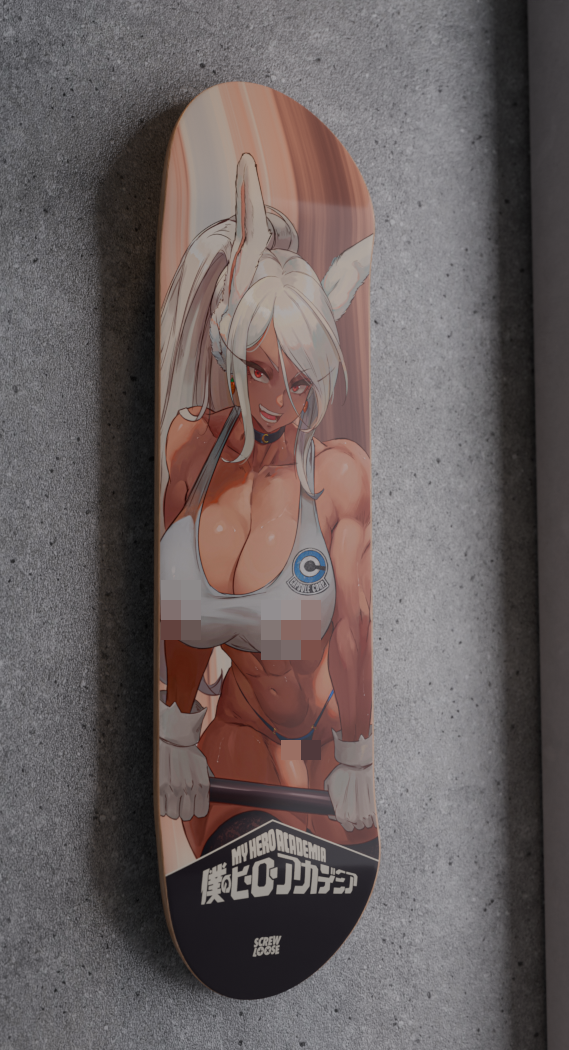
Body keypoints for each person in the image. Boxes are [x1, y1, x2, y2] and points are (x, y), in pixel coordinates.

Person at [158, 153, 375, 856]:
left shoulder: (338, 478)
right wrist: (176, 729)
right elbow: (176, 607)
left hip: (329, 732)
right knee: (244, 851)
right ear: (231, 356)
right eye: (260, 371)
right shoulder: (190, 448)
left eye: (300, 382)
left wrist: (358, 752)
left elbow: (353, 628)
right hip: (241, 725)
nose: (280, 403)